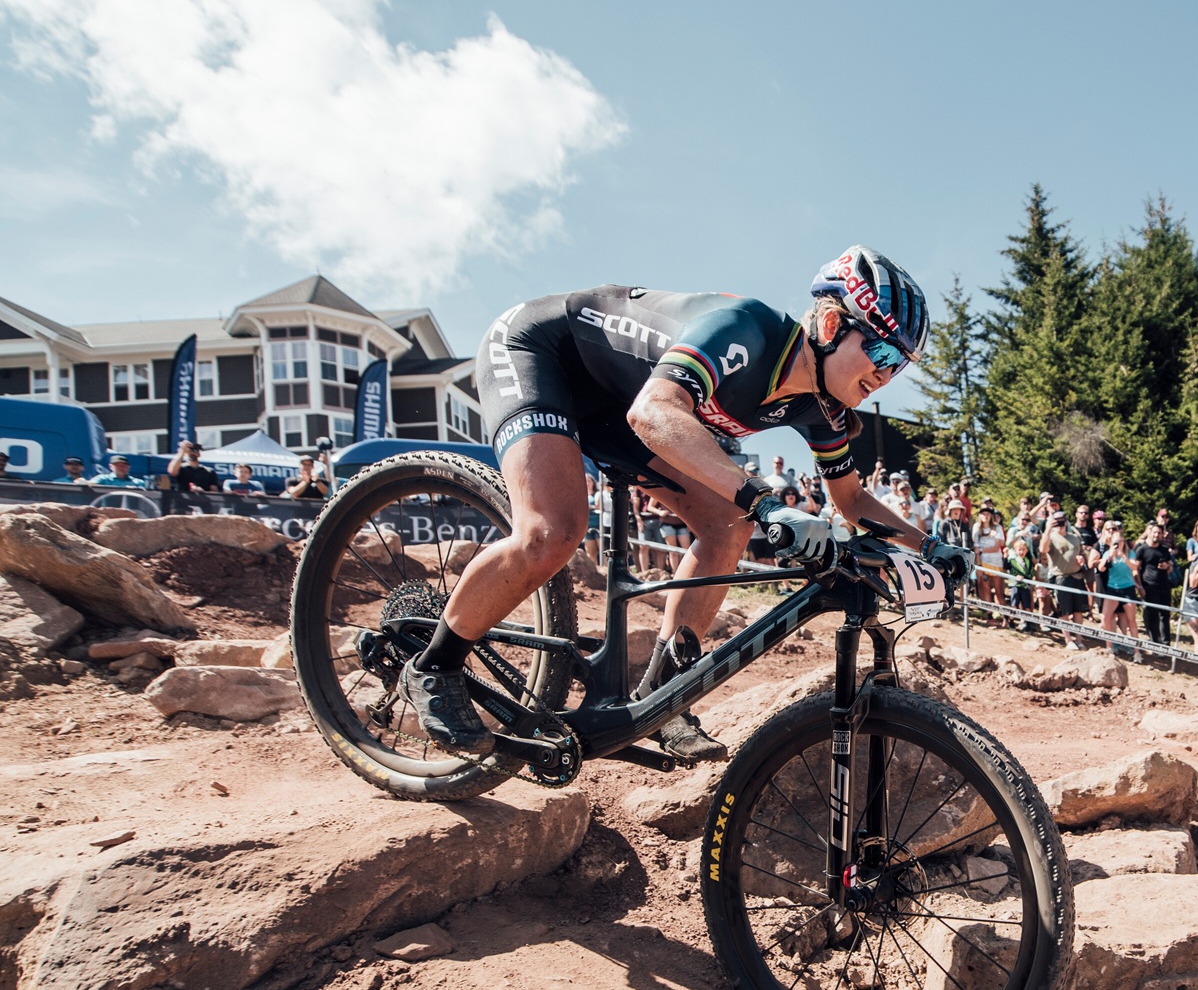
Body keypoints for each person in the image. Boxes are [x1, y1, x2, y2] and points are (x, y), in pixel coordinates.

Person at [401, 245, 957, 762]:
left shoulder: (824, 407)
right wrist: (764, 501)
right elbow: (653, 413)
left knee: (727, 525)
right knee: (552, 530)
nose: (886, 373)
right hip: (543, 354)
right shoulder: (747, 330)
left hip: (619, 402)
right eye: (881, 349)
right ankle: (433, 664)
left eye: (900, 363)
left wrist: (930, 546)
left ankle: (664, 694)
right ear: (832, 325)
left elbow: (852, 498)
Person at [1041, 509, 1090, 641]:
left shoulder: (1074, 537)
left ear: (1066, 522)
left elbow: (1082, 553)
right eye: (1057, 522)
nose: (1060, 524)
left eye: (1062, 521)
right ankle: (1068, 639)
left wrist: (1082, 559)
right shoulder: (1051, 537)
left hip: (1077, 576)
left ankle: (1079, 638)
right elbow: (1043, 549)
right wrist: (1048, 529)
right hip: (1061, 577)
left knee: (1078, 610)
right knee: (1064, 610)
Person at [1098, 522, 1140, 653]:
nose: (1118, 544)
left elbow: (1134, 567)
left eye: (1120, 542)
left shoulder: (1130, 553)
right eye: (1115, 542)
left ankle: (1137, 651)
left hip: (1127, 588)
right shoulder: (1108, 553)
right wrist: (1109, 556)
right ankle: (1109, 646)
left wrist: (1122, 556)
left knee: (1131, 620)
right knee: (1105, 617)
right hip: (1112, 588)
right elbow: (1101, 568)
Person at [1132, 522, 1177, 646]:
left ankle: (1166, 644)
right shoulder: (1142, 549)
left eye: (1159, 533)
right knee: (1153, 615)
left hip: (1164, 585)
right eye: (1155, 532)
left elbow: (1171, 566)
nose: (1157, 535)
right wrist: (1139, 586)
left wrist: (1167, 566)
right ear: (1149, 533)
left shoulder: (1164, 549)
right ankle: (1155, 642)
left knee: (1165, 615)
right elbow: (1136, 569)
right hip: (1149, 585)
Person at [972, 506, 1007, 613]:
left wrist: (981, 550)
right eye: (983, 514)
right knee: (986, 589)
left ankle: (1005, 616)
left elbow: (997, 546)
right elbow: (975, 548)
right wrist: (979, 565)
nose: (986, 516)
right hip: (983, 562)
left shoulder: (997, 527)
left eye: (988, 514)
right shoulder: (976, 527)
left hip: (996, 562)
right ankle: (989, 615)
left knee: (999, 590)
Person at [1005, 535, 1037, 629]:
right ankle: (1011, 621)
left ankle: (1027, 623)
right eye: (1019, 550)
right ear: (1015, 550)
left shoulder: (1028, 561)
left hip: (1025, 586)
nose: (1021, 552)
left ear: (1027, 550)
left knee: (1027, 605)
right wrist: (1005, 556)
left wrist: (1025, 578)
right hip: (1016, 585)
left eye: (1023, 549)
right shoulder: (1012, 561)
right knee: (1014, 604)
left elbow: (1031, 573)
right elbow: (1006, 567)